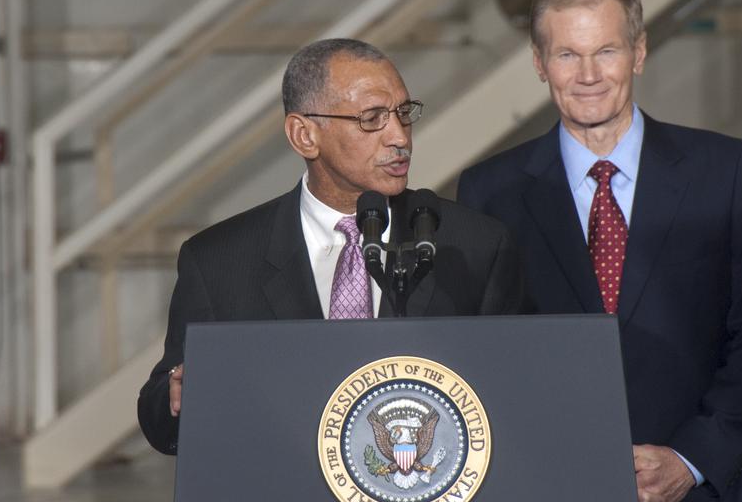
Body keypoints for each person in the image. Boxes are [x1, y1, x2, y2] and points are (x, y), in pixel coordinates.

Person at [457, 0, 742, 502]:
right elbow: (485, 360)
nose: (587, 74)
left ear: (638, 52)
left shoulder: (726, 172)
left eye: (605, 50)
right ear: (539, 63)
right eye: (566, 54)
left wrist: (689, 460)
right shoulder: (488, 194)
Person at [138, 38, 522, 455]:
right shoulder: (219, 261)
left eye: (404, 113)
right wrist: (179, 392)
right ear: (304, 135)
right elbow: (162, 416)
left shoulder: (472, 245)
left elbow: (517, 394)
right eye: (372, 118)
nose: (399, 137)